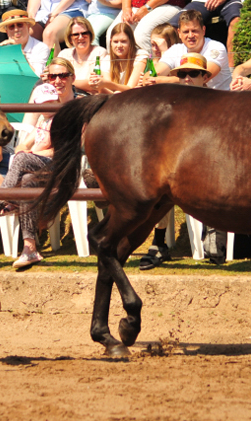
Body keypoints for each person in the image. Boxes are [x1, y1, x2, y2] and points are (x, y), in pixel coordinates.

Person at [0, 58, 76, 268]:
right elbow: (22, 145)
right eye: (53, 76)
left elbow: (63, 151)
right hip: (41, 168)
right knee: (26, 180)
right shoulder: (44, 120)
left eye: (62, 75)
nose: (46, 108)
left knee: (24, 159)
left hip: (59, 168)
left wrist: (33, 151)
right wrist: (30, 150)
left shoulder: (65, 117)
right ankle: (29, 247)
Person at [139, 53, 210, 269]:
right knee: (159, 182)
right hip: (179, 167)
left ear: (204, 77)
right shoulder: (172, 104)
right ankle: (158, 243)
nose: (187, 78)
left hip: (208, 167)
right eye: (182, 74)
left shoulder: (215, 102)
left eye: (193, 73)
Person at [148, 10, 232, 90]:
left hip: (219, 100)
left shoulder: (216, 47)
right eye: (186, 32)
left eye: (194, 31)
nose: (190, 35)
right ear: (179, 33)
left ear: (203, 30)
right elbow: (151, 75)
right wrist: (149, 77)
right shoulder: (175, 50)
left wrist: (160, 81)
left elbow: (201, 78)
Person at [169, 0, 243, 67]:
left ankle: (232, 71)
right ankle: (178, 67)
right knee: (171, 29)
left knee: (236, 22)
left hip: (230, 1)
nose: (190, 35)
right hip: (202, 1)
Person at [106, 0, 187, 52]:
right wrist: (126, 8)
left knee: (142, 36)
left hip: (166, 4)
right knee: (113, 34)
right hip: (135, 5)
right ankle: (116, 73)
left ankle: (149, 72)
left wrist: (147, 8)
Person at [88, 23, 148, 93]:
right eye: (115, 42)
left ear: (131, 41)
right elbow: (111, 93)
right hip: (115, 99)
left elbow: (130, 88)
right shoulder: (107, 60)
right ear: (111, 42)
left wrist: (107, 84)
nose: (119, 45)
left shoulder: (140, 56)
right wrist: (98, 86)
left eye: (123, 41)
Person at [58, 17, 108, 93]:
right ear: (70, 39)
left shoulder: (99, 52)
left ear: (90, 35)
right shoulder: (64, 54)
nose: (81, 37)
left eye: (84, 33)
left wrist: (66, 81)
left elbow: (93, 84)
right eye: (76, 35)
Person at [0, 10, 50, 76]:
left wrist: (21, 56)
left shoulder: (41, 47)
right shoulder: (3, 49)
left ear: (28, 27)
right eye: (12, 26)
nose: (16, 29)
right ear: (7, 31)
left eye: (19, 25)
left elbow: (37, 77)